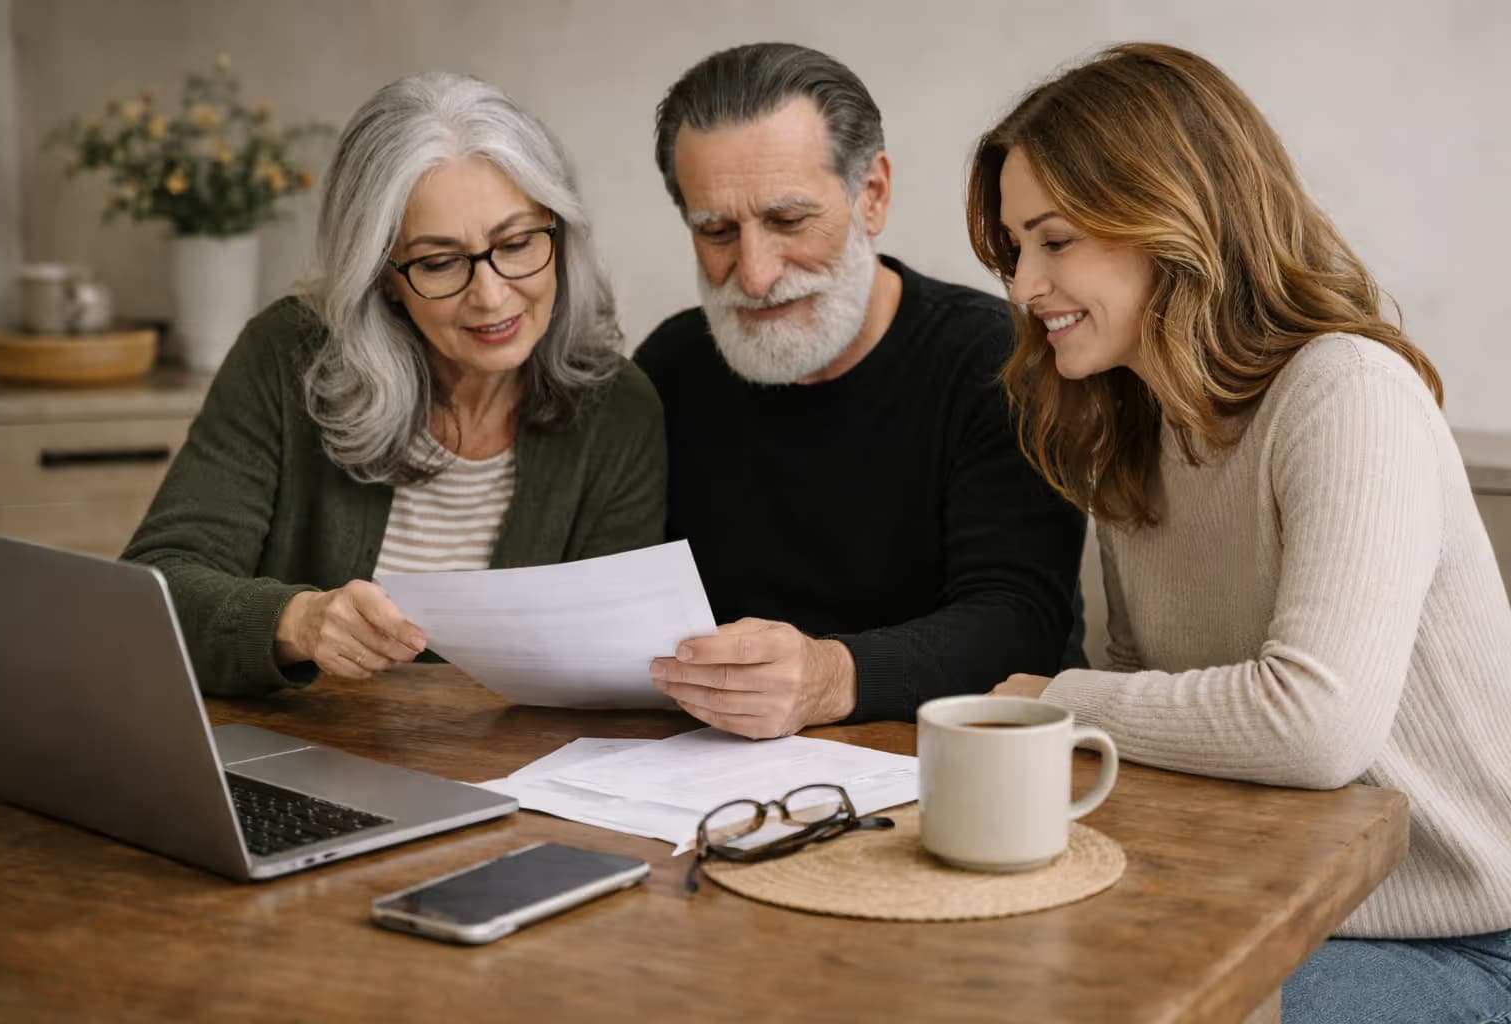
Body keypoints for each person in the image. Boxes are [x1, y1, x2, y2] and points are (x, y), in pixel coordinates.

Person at [971, 43, 1511, 1023]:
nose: (1021, 286)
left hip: (1462, 939)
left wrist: (1060, 699)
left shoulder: (1347, 394)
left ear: (1168, 217)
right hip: (1263, 906)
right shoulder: (1131, 434)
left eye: (1053, 241)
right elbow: (1146, 719)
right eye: (1015, 249)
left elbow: (1316, 722)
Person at [125, 71, 665, 697]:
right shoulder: (286, 358)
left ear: (559, 229)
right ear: (382, 275)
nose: (491, 296)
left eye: (516, 243)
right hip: (306, 763)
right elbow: (154, 586)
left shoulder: (617, 407)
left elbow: (613, 663)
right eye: (439, 262)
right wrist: (294, 621)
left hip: (518, 775)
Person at [636, 43, 1085, 740]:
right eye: (717, 231)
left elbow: (1020, 624)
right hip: (710, 775)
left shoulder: (995, 358)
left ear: (871, 194)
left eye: (789, 221)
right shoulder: (671, 365)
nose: (754, 276)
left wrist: (829, 676)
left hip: (962, 770)